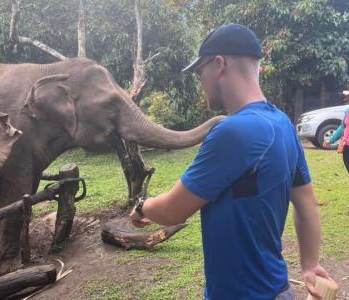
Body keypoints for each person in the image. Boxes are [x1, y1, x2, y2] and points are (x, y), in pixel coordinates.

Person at [129, 24, 334, 300]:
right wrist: (309, 265)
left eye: (200, 72)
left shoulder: (233, 132)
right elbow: (307, 203)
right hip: (278, 290)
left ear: (219, 65)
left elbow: (171, 211)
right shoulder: (282, 123)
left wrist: (142, 206)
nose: (200, 81)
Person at [323, 90, 349, 173]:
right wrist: (331, 140)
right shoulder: (348, 111)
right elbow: (342, 127)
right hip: (346, 147)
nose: (345, 99)